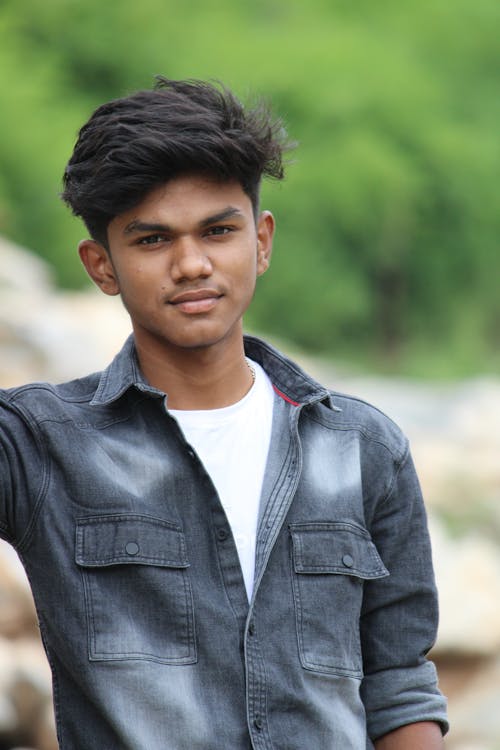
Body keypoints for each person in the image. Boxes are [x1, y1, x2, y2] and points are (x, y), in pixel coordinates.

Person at [0, 77, 448, 749]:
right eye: (152, 240)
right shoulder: (38, 446)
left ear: (261, 241)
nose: (191, 264)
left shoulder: (362, 447)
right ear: (102, 265)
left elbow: (398, 682)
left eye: (218, 230)